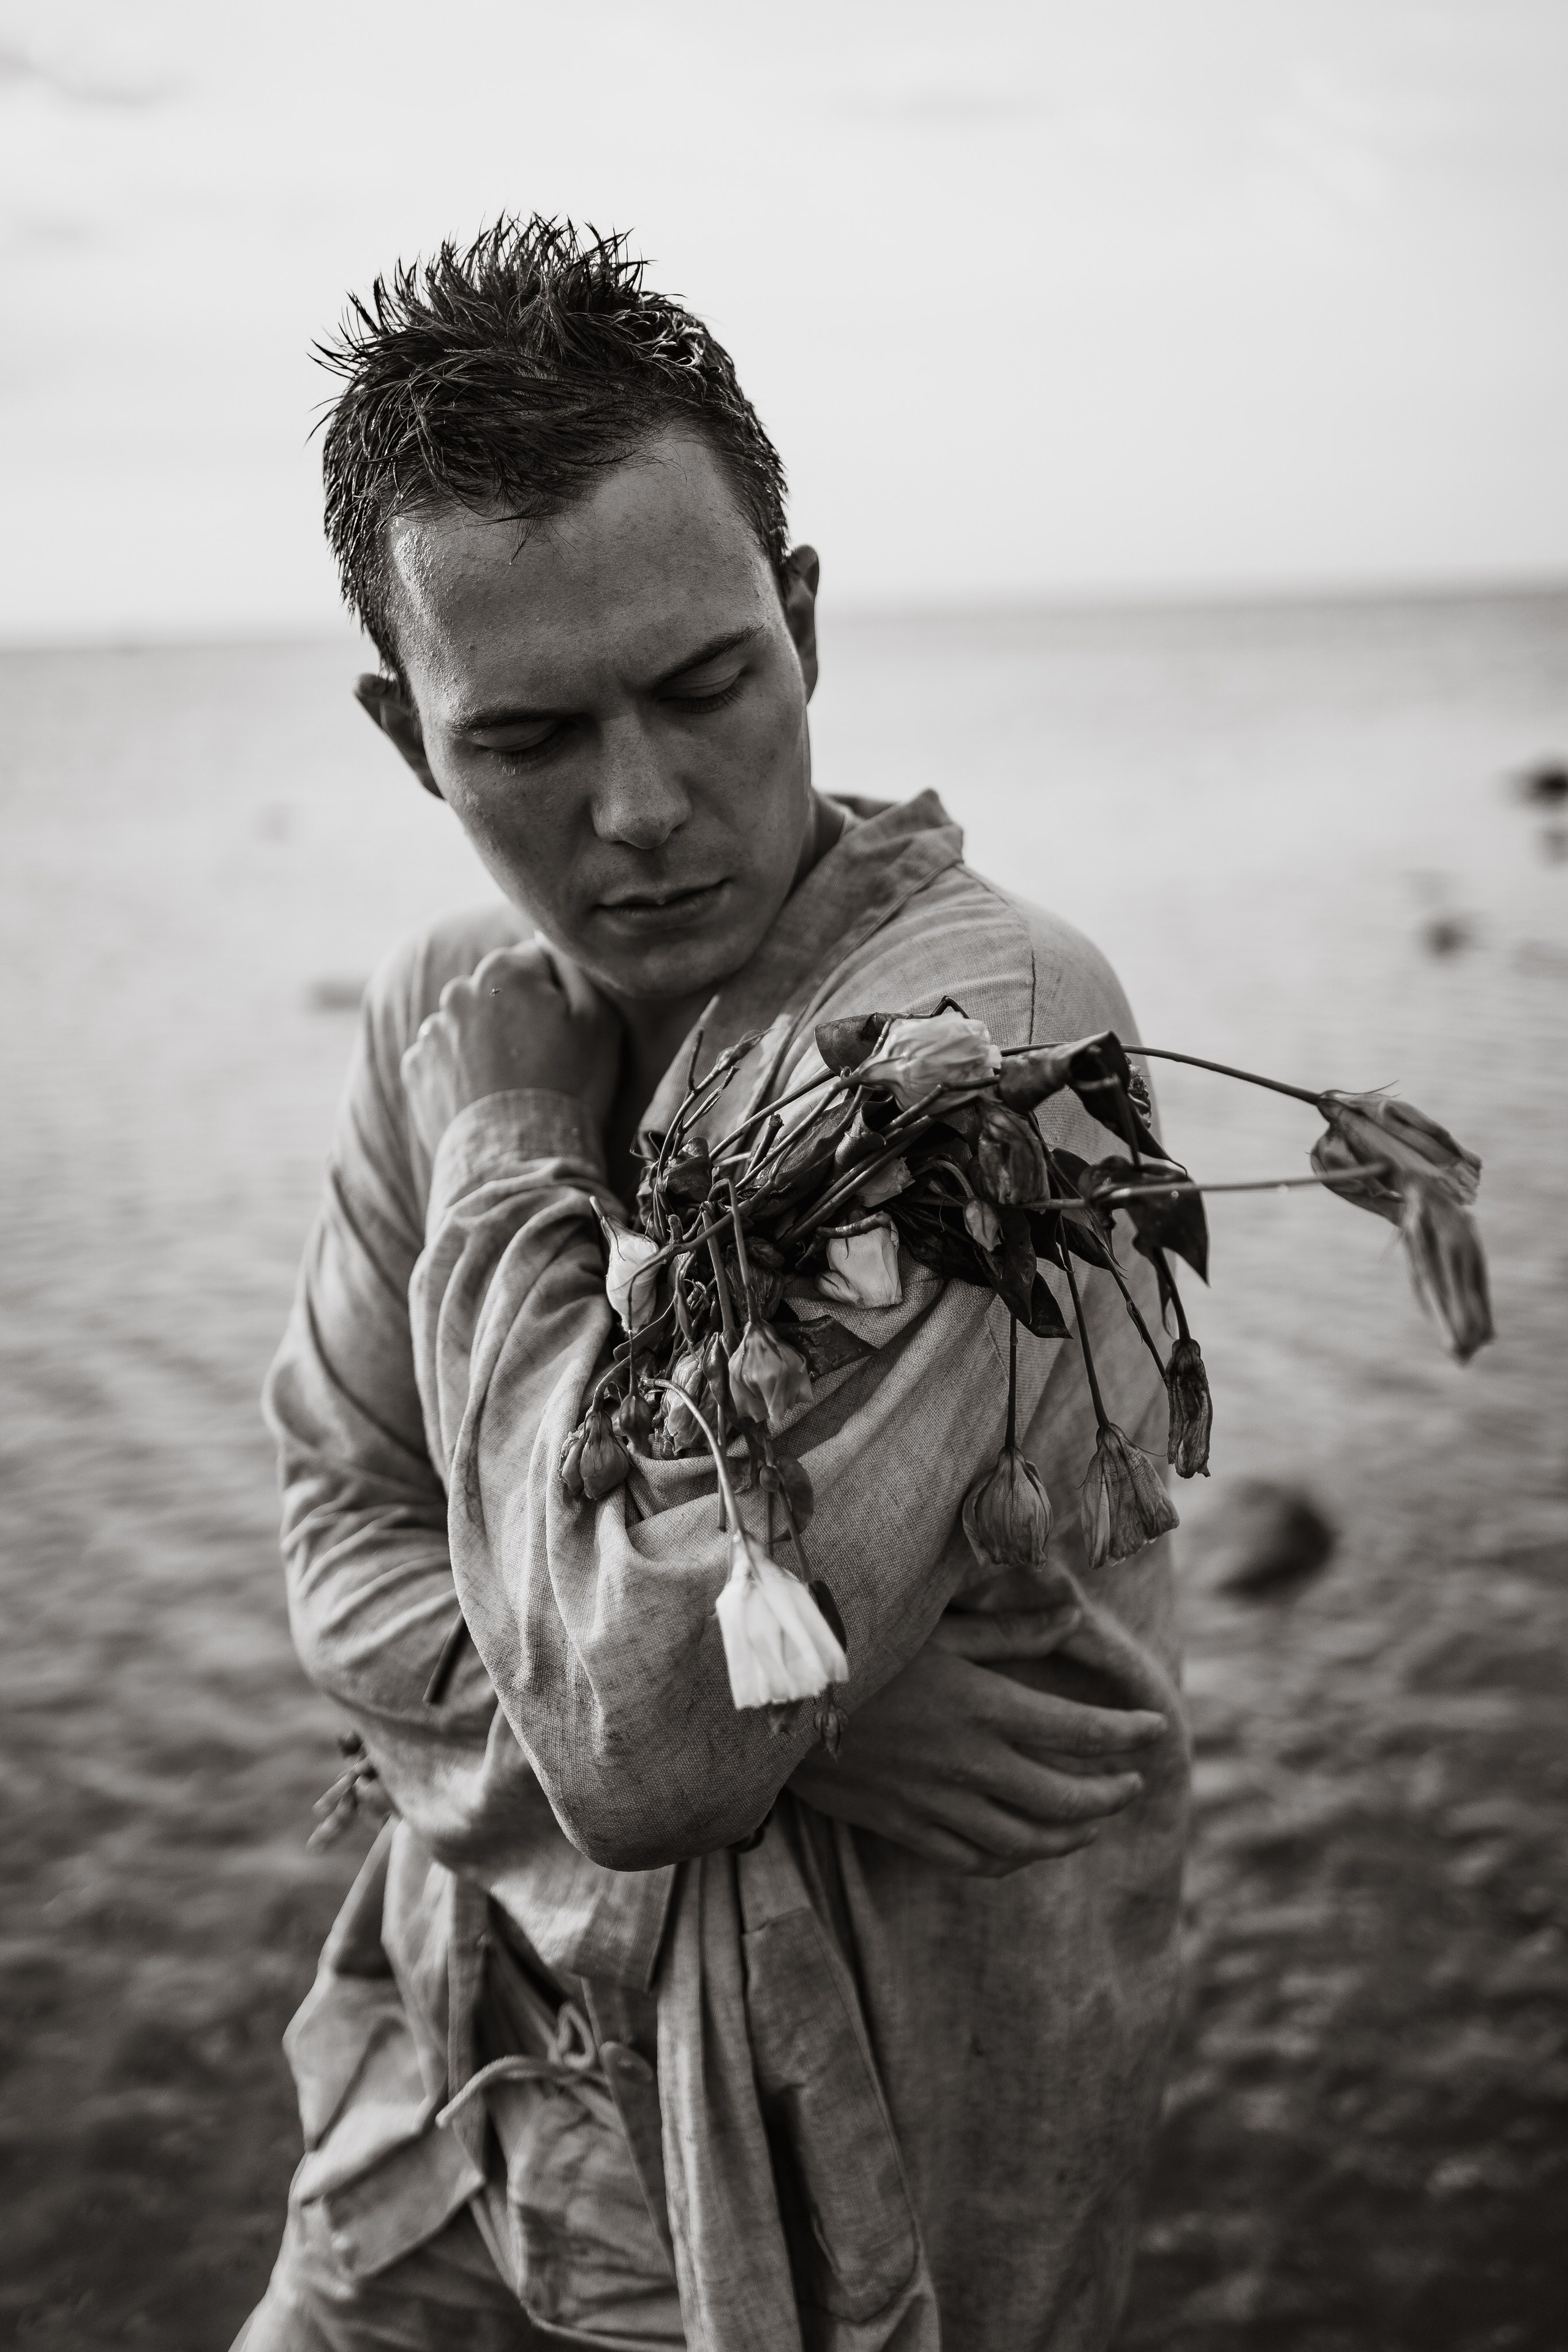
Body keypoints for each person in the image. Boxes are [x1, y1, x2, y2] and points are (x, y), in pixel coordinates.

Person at [236, 218, 1188, 2352]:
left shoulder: (982, 1035)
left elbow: (652, 1734)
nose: (641, 811)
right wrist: (815, 1724)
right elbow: (341, 1543)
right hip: (446, 2099)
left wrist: (506, 1163)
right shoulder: (441, 1007)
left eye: (703, 685)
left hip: (839, 2191)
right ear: (409, 735)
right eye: (530, 742)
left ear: (808, 623)